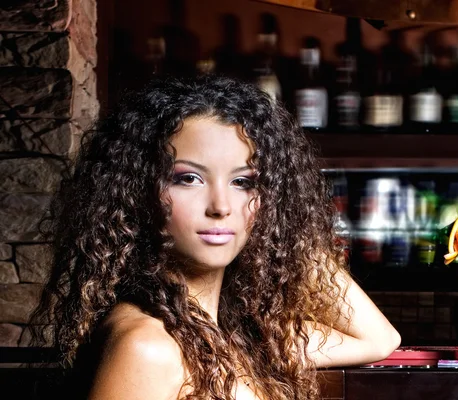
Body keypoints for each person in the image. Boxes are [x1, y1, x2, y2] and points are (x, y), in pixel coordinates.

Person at [30, 74, 400, 399]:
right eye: (188, 178)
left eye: (243, 182)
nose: (221, 206)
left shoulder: (236, 335)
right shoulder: (148, 346)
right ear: (134, 191)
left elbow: (379, 339)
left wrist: (288, 233)